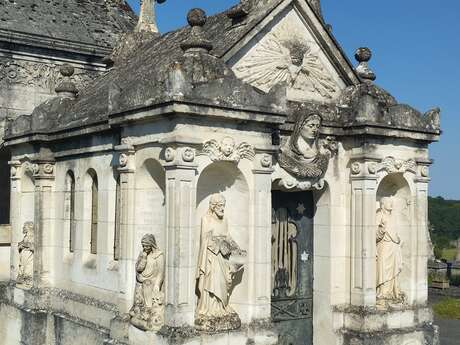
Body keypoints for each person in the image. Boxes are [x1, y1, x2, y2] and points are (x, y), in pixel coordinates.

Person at [195, 193, 244, 331]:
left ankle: (222, 306)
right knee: (212, 283)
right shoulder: (206, 219)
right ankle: (210, 309)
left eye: (224, 206)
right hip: (212, 259)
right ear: (214, 206)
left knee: (223, 284)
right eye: (220, 206)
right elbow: (205, 239)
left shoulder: (225, 220)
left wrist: (236, 248)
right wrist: (219, 246)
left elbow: (228, 236)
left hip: (224, 259)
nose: (223, 208)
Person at [279, 113, 331, 179]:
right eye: (311, 126)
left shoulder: (322, 151)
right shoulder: (286, 148)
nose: (315, 130)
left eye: (317, 126)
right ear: (300, 126)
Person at [130, 234, 165, 331]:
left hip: (153, 281)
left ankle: (148, 309)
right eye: (143, 246)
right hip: (142, 279)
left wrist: (157, 285)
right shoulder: (143, 254)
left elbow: (160, 273)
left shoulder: (159, 255)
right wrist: (143, 258)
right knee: (141, 285)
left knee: (147, 284)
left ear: (152, 244)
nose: (144, 248)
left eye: (146, 246)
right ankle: (139, 310)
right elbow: (138, 268)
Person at [376, 197, 404, 306]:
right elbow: (374, 234)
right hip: (384, 246)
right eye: (388, 202)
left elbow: (396, 233)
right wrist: (381, 230)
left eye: (391, 202)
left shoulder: (393, 217)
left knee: (393, 271)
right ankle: (382, 293)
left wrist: (399, 240)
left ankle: (392, 293)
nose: (391, 203)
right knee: (383, 270)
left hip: (394, 247)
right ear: (382, 204)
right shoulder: (379, 216)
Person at [17, 222, 34, 288]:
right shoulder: (25, 237)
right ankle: (21, 281)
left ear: (29, 228)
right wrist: (20, 245)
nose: (23, 228)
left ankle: (28, 283)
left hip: (28, 256)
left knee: (28, 270)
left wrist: (24, 245)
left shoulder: (32, 236)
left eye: (25, 226)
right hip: (23, 256)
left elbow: (34, 246)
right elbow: (20, 244)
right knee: (21, 268)